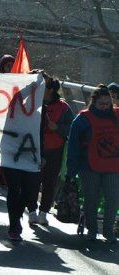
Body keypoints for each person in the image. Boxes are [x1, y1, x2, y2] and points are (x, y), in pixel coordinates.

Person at [67, 85, 119, 243]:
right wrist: (71, 170)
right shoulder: (83, 118)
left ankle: (108, 232)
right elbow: (73, 145)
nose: (104, 107)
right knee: (92, 198)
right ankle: (92, 229)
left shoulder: (116, 115)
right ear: (93, 102)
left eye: (107, 103)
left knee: (113, 199)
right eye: (101, 104)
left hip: (113, 165)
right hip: (89, 166)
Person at [30, 76, 74, 226]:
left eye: (44, 88)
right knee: (33, 181)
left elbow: (71, 129)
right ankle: (31, 210)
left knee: (49, 182)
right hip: (35, 148)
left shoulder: (64, 108)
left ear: (51, 90)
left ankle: (43, 212)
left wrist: (58, 128)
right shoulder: (36, 103)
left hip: (55, 150)